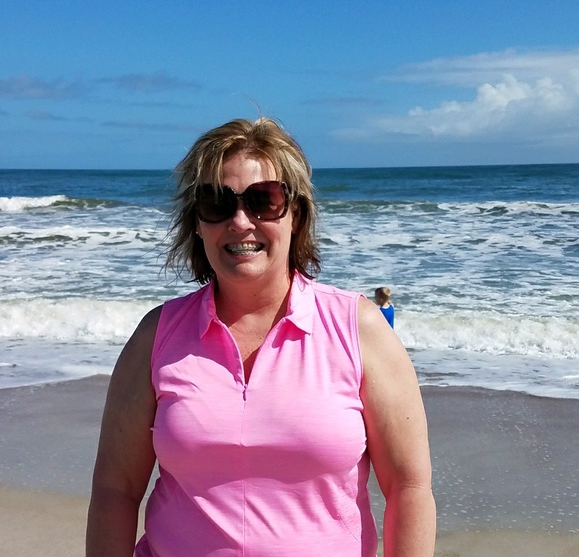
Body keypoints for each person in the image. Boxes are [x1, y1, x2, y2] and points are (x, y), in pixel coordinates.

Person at [86, 117, 435, 556]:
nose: (240, 221)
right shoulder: (156, 336)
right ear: (198, 222)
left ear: (296, 215)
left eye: (263, 201)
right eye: (216, 202)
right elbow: (115, 490)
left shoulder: (358, 329)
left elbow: (408, 487)